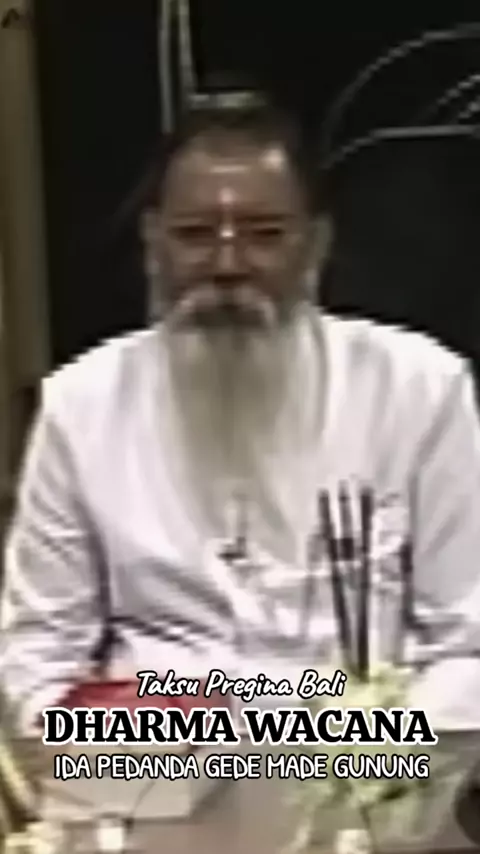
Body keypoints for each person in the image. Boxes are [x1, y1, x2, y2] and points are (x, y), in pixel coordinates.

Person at [1, 87, 480, 734]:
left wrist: (362, 751)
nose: (228, 264)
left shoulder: (420, 390)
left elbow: (467, 644)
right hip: (149, 763)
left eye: (265, 235)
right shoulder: (81, 406)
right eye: (195, 235)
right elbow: (37, 655)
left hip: (362, 766)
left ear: (316, 244)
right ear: (152, 242)